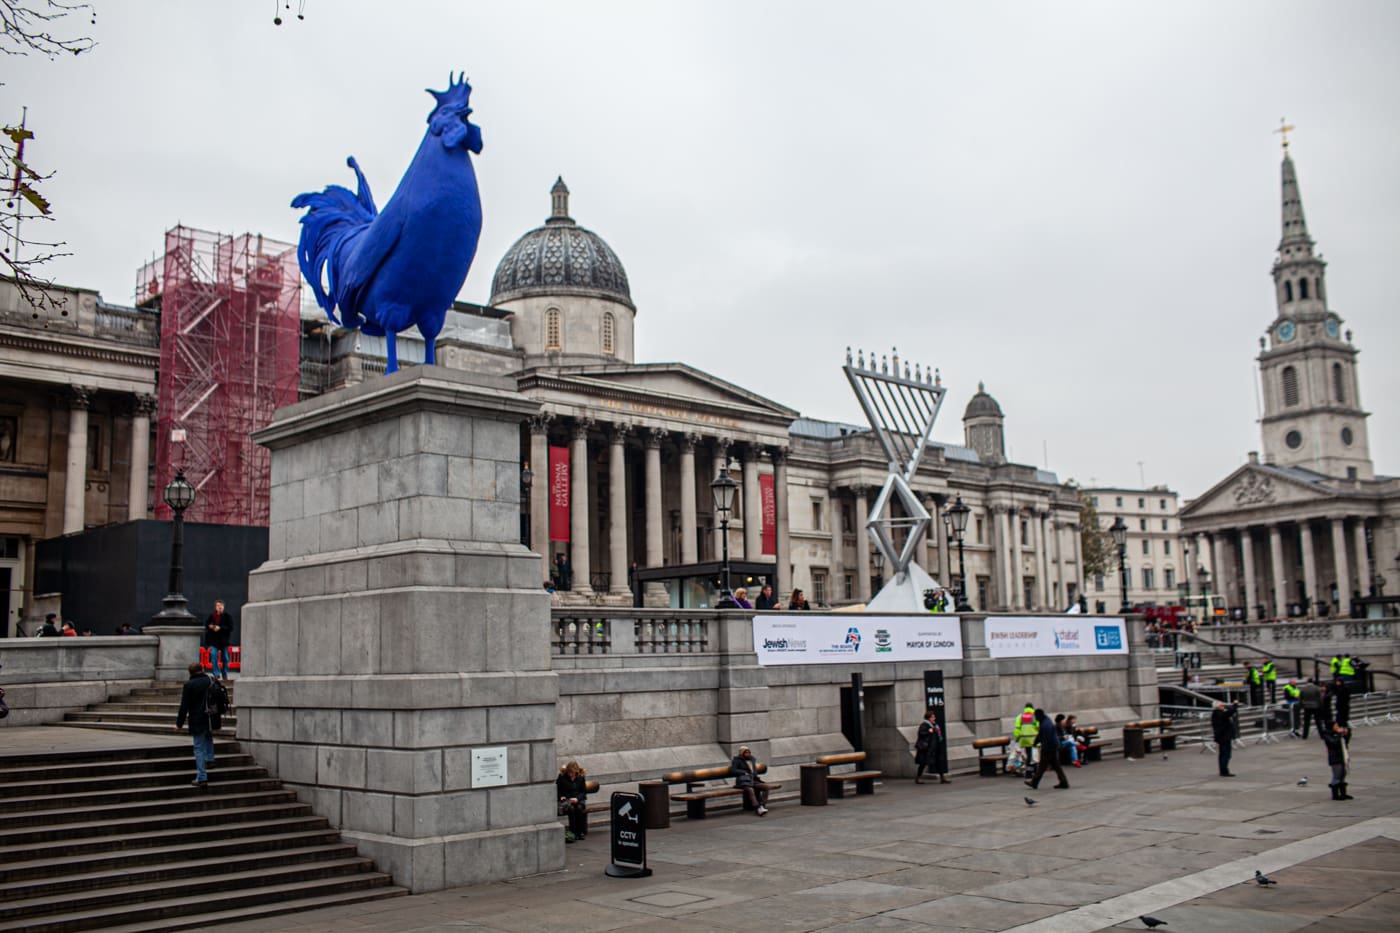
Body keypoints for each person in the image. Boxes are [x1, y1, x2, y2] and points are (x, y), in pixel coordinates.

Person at [174, 661, 216, 787]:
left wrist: (179, 724)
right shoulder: (210, 680)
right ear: (202, 669)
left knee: (198, 748)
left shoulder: (189, 685)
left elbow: (184, 706)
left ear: (190, 673)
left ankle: (202, 777)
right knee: (208, 736)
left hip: (197, 719)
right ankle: (210, 759)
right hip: (210, 717)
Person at [1026, 709, 1069, 790]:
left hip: (1049, 748)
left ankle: (1034, 782)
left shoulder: (1045, 724)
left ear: (1039, 716)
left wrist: (1043, 748)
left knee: (1042, 766)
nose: (1035, 718)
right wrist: (1036, 742)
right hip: (1053, 746)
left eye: (1036, 716)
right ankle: (1064, 782)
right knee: (1056, 766)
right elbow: (1040, 735)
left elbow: (1045, 737)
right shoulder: (1046, 721)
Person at [914, 707, 950, 784]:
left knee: (939, 762)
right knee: (923, 763)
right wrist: (928, 731)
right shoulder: (924, 725)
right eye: (933, 717)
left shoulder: (934, 725)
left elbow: (937, 735)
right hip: (926, 748)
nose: (934, 718)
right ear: (928, 718)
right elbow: (921, 733)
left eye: (934, 717)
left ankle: (942, 777)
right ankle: (918, 777)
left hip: (935, 747)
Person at [730, 745, 769, 815]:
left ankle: (762, 805)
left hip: (753, 779)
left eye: (749, 752)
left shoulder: (752, 759)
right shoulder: (737, 760)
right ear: (742, 753)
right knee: (750, 790)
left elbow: (754, 770)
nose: (748, 754)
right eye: (746, 753)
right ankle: (757, 808)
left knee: (766, 787)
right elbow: (733, 770)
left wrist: (754, 774)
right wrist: (743, 772)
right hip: (743, 781)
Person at [556, 760, 589, 841]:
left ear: (576, 772)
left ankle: (580, 832)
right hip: (566, 800)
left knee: (579, 808)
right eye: (570, 773)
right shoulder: (562, 777)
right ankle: (573, 831)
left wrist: (577, 798)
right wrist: (561, 797)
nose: (571, 775)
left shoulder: (580, 778)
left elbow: (583, 792)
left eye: (573, 773)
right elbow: (558, 790)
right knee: (571, 809)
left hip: (577, 799)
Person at [1321, 722, 1353, 801]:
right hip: (1335, 758)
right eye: (1335, 726)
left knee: (1343, 774)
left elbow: (1346, 740)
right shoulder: (1327, 735)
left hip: (1342, 756)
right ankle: (1335, 795)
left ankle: (1343, 793)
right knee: (1337, 775)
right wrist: (1339, 734)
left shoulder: (1336, 734)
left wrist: (1347, 733)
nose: (1337, 727)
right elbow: (1333, 743)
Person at [204, 600, 235, 680]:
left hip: (224, 641)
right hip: (214, 641)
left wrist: (220, 628)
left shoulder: (227, 616)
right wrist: (211, 626)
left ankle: (224, 673)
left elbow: (231, 627)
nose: (220, 607)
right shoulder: (212, 616)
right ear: (215, 607)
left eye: (221, 606)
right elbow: (207, 625)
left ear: (223, 607)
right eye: (218, 605)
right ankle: (216, 673)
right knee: (214, 656)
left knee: (225, 658)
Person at [1211, 700, 1239, 777]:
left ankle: (1223, 770)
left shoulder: (1217, 713)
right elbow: (1230, 712)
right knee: (1226, 754)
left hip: (1222, 736)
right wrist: (1235, 705)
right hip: (1224, 737)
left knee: (1223, 754)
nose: (1223, 707)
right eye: (1222, 706)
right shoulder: (1218, 714)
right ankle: (1224, 771)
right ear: (1217, 707)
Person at [1012, 703, 1037, 773]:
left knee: (1029, 755)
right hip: (1033, 739)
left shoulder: (1020, 717)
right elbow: (1038, 728)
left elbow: (1017, 729)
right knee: (1033, 756)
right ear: (1032, 708)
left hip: (1024, 739)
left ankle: (1031, 770)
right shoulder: (1035, 717)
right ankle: (1031, 771)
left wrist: (1017, 738)